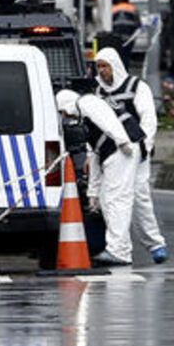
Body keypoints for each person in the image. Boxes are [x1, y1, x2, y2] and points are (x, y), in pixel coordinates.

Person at [94, 47, 169, 265]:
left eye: (105, 66)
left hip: (135, 151)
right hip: (112, 154)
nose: (102, 71)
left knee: (138, 197)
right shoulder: (98, 93)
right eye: (98, 66)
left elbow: (148, 119)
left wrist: (144, 147)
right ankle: (122, 247)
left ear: (114, 66)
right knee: (116, 199)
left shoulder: (136, 87)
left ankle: (153, 243)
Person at [54, 87, 138, 267]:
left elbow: (108, 121)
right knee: (108, 200)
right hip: (114, 152)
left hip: (122, 150)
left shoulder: (87, 102)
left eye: (62, 112)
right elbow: (94, 156)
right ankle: (119, 247)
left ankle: (119, 252)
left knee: (116, 200)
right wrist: (93, 193)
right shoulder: (85, 117)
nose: (65, 117)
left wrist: (122, 140)